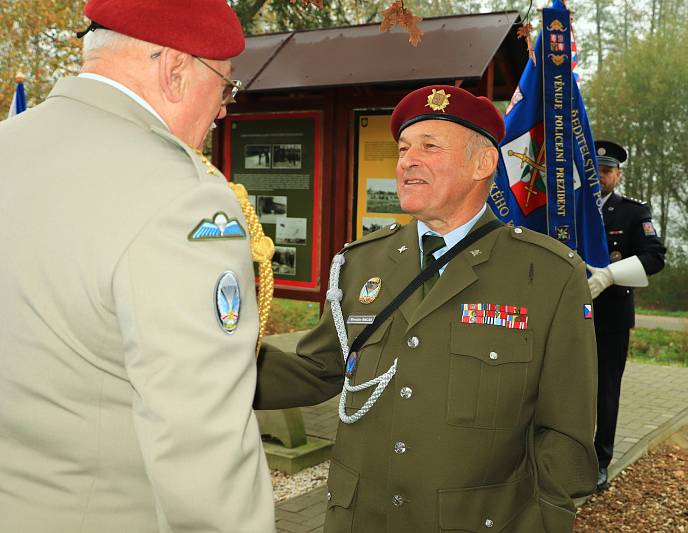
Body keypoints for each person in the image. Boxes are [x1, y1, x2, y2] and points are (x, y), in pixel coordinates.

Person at [256, 85, 599, 532]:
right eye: (403, 149)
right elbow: (318, 370)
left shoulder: (548, 274)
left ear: (483, 163)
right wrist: (212, 366)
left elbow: (566, 431)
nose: (407, 161)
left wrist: (544, 519)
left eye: (429, 147)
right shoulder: (361, 263)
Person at [0, 1, 275, 532]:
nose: (223, 110)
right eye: (225, 88)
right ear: (174, 72)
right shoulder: (182, 200)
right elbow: (202, 454)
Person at [585, 140, 667, 491]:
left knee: (605, 391)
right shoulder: (571, 208)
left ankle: (599, 461)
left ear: (617, 175)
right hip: (570, 313)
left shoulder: (634, 212)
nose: (601, 176)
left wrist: (610, 275)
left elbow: (655, 256)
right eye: (597, 169)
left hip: (611, 318)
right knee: (565, 389)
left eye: (607, 170)